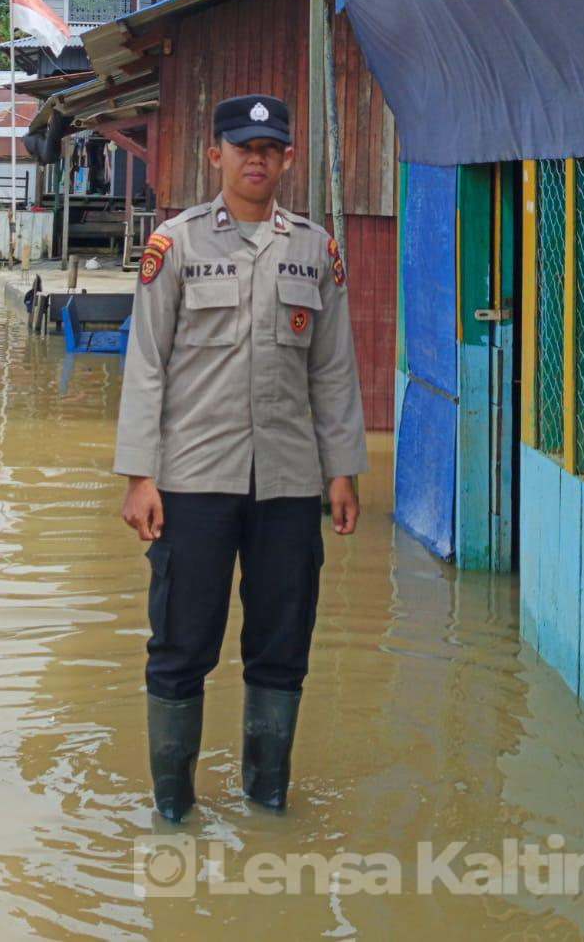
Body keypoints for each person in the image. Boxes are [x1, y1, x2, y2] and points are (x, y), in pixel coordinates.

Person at [114, 94, 367, 821]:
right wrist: (140, 476)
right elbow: (147, 365)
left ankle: (267, 798)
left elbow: (332, 369)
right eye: (242, 145)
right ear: (215, 155)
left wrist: (341, 469)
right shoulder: (177, 244)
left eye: (270, 147)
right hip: (192, 479)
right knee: (181, 644)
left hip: (288, 482)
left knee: (282, 644)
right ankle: (173, 813)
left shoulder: (315, 249)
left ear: (287, 158)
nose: (256, 158)